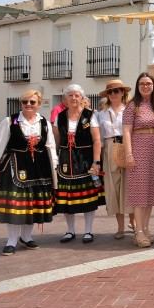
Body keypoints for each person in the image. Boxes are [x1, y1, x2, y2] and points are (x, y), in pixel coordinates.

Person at [0, 90, 57, 255]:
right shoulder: (10, 121)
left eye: (32, 102)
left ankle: (26, 237)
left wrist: (54, 167)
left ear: (38, 104)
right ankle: (11, 240)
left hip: (39, 169)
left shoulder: (44, 123)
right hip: (14, 167)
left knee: (31, 204)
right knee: (15, 205)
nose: (28, 105)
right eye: (25, 101)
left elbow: (50, 146)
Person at [53, 84, 105, 244]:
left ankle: (88, 230)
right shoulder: (59, 117)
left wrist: (96, 162)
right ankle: (70, 230)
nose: (74, 98)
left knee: (88, 197)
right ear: (65, 99)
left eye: (77, 96)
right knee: (67, 198)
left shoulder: (90, 115)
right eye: (71, 96)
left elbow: (97, 141)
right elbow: (56, 141)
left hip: (86, 161)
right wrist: (54, 161)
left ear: (82, 98)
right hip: (65, 164)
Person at [123, 72, 154, 248]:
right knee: (139, 192)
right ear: (138, 87)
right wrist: (129, 154)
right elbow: (126, 131)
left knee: (151, 192)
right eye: (142, 84)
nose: (146, 86)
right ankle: (138, 230)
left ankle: (146, 227)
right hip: (138, 150)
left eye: (148, 83)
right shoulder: (132, 106)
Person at [98, 79, 135, 239]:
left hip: (128, 147)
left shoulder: (131, 110)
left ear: (123, 93)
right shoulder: (101, 114)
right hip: (110, 147)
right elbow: (98, 137)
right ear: (107, 95)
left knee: (130, 184)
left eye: (117, 91)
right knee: (114, 187)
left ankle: (133, 222)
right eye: (110, 92)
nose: (113, 94)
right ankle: (120, 226)